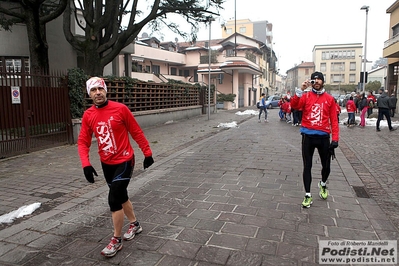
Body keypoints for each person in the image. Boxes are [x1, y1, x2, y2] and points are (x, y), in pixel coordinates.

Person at [77, 77, 154, 257]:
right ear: (89, 94)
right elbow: (83, 141)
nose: (98, 93)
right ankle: (135, 224)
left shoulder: (121, 109)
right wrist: (85, 164)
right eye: (93, 90)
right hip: (106, 163)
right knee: (121, 195)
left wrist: (147, 153)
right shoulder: (89, 115)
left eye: (100, 89)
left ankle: (116, 240)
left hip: (125, 160)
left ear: (105, 90)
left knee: (113, 199)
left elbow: (136, 131)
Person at [290, 71, 339, 208]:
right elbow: (294, 106)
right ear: (310, 82)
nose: (316, 82)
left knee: (327, 166)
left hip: (323, 137)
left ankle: (323, 184)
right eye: (314, 80)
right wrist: (300, 91)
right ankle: (308, 195)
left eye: (319, 80)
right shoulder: (305, 96)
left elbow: (334, 120)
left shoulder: (329, 99)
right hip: (308, 136)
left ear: (323, 82)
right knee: (307, 166)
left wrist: (335, 139)